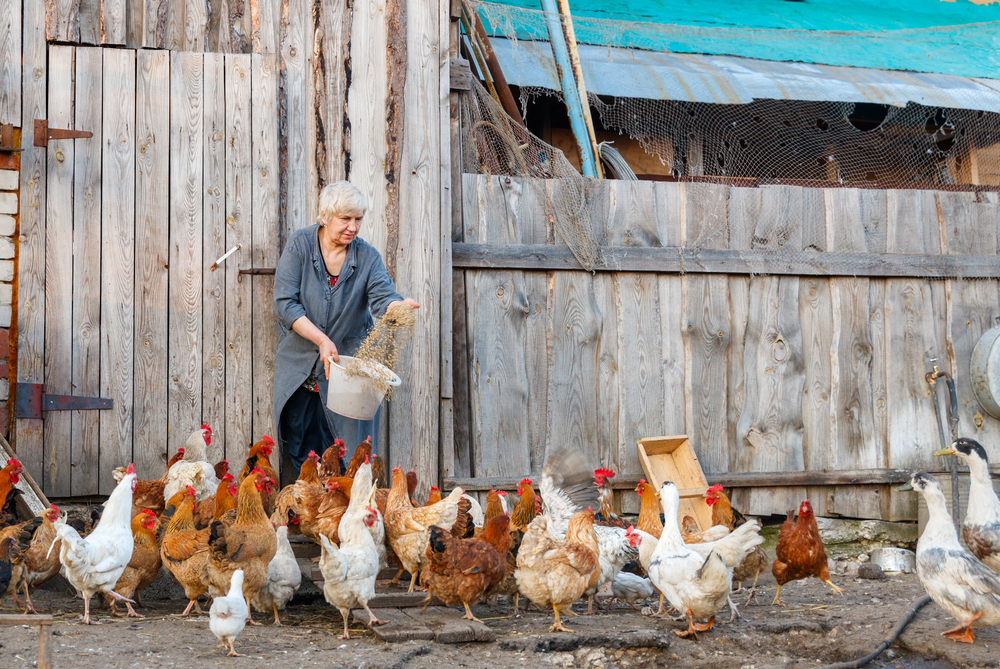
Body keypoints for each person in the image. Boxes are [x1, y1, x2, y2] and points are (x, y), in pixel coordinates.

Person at [273, 181, 419, 483]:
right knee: (302, 450)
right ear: (326, 217)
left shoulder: (366, 257)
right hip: (302, 369)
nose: (353, 227)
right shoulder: (300, 245)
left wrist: (397, 307)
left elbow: (383, 296)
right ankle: (310, 520)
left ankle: (344, 522)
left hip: (347, 374)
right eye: (345, 219)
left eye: (358, 219)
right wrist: (321, 339)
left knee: (346, 454)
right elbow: (285, 304)